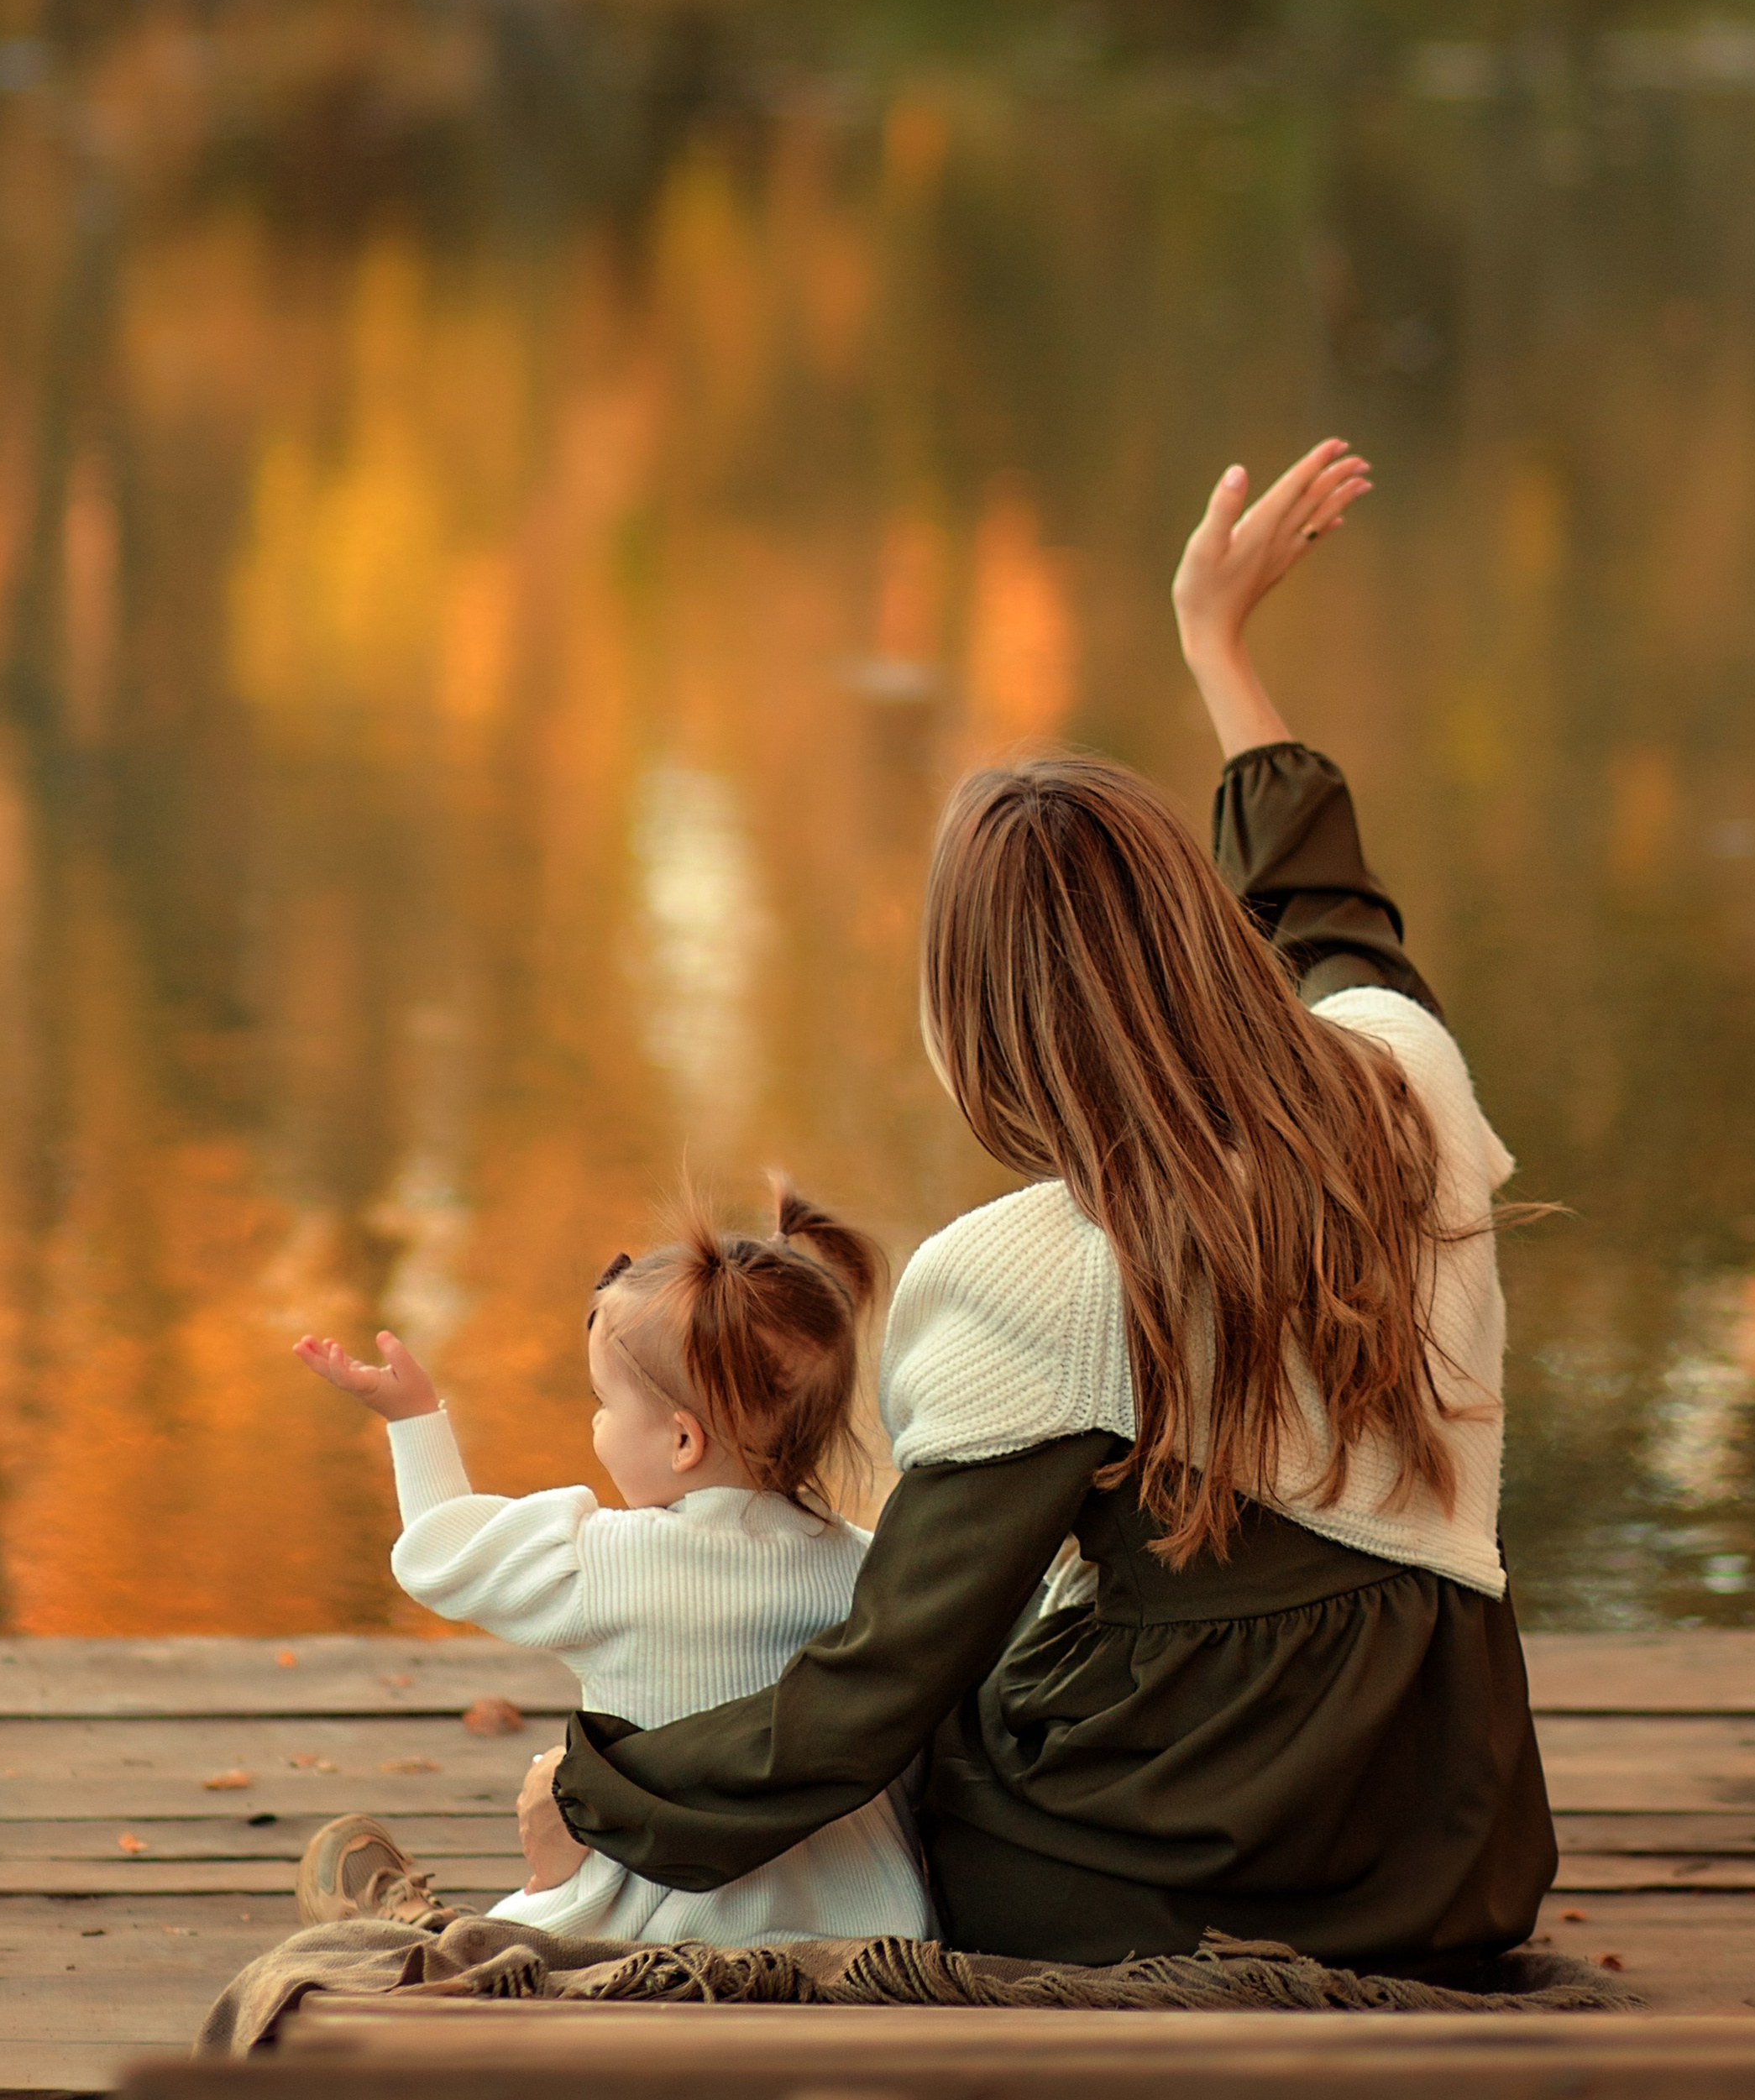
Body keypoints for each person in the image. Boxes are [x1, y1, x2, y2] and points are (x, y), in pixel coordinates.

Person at [518, 437, 1558, 1966]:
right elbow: (1333, 916)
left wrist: (606, 1794)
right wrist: (1217, 645)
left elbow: (881, 1685)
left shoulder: (1043, 1273)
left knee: (908, 1781)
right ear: (1204, 938)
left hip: (1186, 1866)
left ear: (984, 1027)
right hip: (1453, 1854)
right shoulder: (1411, 1083)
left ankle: (592, 1881)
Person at [291, 1183, 932, 1946]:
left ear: (682, 1441)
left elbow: (438, 1553)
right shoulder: (872, 1568)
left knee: (505, 1927)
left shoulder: (610, 1559)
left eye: (602, 1402)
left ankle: (417, 1935)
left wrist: (414, 1419)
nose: (595, 1422)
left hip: (660, 1922)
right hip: (865, 1924)